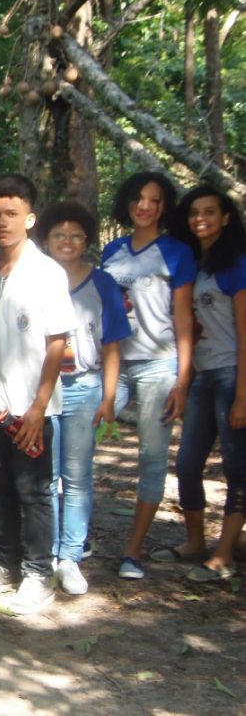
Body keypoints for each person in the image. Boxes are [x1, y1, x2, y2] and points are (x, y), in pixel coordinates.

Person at [0, 174, 76, 615]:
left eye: (11, 214)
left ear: (29, 218)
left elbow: (57, 343)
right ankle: (7, 564)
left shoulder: (47, 272)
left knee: (35, 491)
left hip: (30, 408)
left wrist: (38, 407)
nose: (2, 222)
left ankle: (38, 573)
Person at [101, 172, 195, 580]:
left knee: (152, 458)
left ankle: (133, 552)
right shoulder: (112, 250)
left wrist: (182, 380)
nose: (145, 206)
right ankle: (73, 540)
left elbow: (184, 318)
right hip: (114, 363)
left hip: (159, 363)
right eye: (139, 198)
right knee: (81, 439)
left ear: (164, 207)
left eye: (155, 200)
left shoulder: (177, 252)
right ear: (127, 202)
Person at [34, 202, 130, 595]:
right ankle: (45, 552)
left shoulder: (102, 283)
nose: (67, 241)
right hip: (43, 388)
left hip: (84, 387)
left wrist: (108, 397)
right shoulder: (36, 280)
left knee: (77, 476)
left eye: (75, 235)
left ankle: (70, 556)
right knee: (46, 475)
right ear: (46, 240)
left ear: (86, 240)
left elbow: (112, 345)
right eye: (59, 235)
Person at [166, 186, 246, 583]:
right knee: (186, 463)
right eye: (195, 212)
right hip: (200, 375)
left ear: (226, 217)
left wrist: (243, 395)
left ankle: (224, 553)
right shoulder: (192, 264)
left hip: (231, 373)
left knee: (236, 465)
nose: (201, 218)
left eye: (210, 212)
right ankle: (195, 542)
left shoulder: (237, 265)